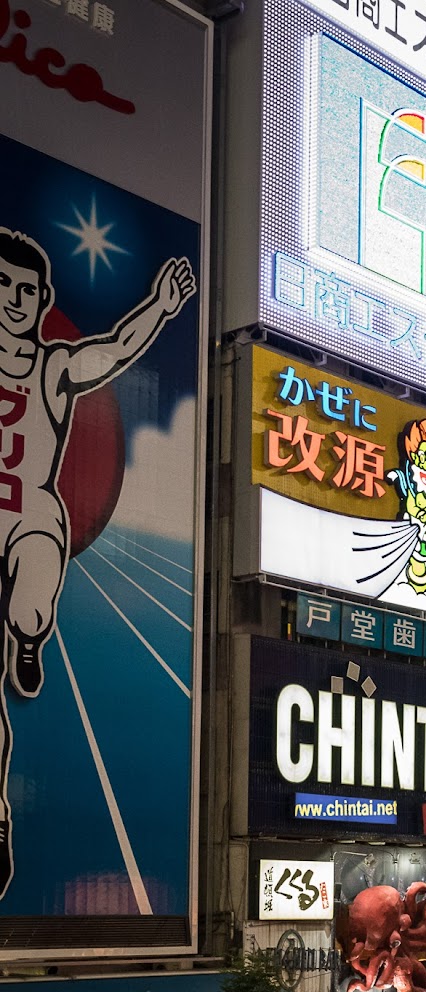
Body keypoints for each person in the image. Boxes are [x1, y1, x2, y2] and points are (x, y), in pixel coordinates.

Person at [0, 232, 196, 894]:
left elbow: (111, 352)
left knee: (37, 568)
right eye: (4, 287)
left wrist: (161, 307)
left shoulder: (52, 367)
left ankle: (30, 636)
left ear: (41, 301)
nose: (15, 300)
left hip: (34, 508)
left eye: (27, 291)